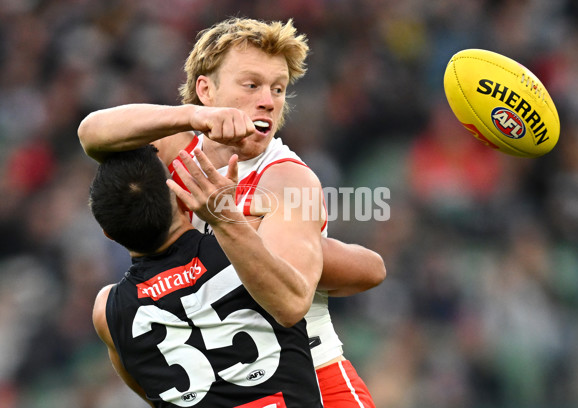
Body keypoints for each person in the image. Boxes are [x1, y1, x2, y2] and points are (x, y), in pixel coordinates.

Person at [79, 17, 383, 407]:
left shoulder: (284, 178)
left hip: (312, 376)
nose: (269, 100)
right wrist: (190, 117)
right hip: (219, 382)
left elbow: (289, 304)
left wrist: (227, 220)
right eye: (251, 84)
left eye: (278, 88)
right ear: (205, 90)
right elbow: (91, 133)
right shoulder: (175, 147)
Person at [90, 144, 324, 407]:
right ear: (180, 197)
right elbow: (370, 270)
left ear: (108, 234)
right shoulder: (253, 238)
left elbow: (153, 392)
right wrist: (230, 216)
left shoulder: (107, 312)